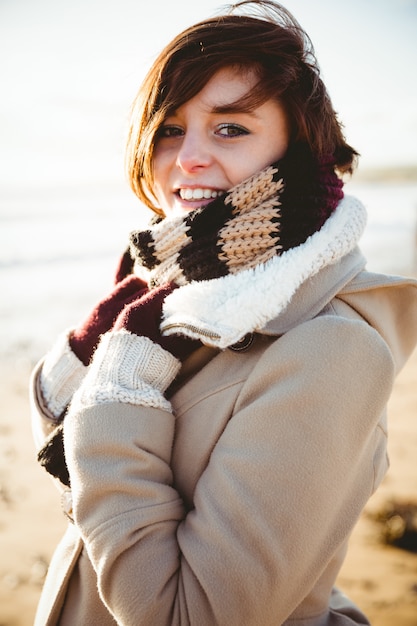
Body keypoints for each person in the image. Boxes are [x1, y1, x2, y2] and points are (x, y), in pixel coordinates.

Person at [30, 1, 417, 624]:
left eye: (231, 128)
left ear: (299, 149)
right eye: (170, 129)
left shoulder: (330, 349)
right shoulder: (156, 295)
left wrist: (117, 391)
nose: (187, 159)